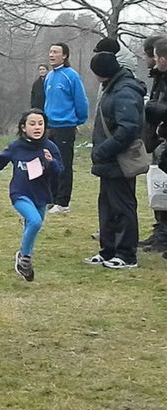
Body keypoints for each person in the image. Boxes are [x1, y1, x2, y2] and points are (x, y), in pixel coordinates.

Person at [0, 109, 63, 281]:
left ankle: (24, 262)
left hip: (41, 195)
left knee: (33, 226)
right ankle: (25, 258)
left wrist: (51, 162)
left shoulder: (50, 147)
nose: (37, 127)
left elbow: (59, 171)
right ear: (23, 127)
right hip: (20, 193)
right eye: (32, 124)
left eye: (40, 123)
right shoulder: (16, 147)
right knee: (34, 221)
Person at [84, 52, 146, 269]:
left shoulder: (124, 91)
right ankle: (108, 250)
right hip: (109, 162)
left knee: (123, 206)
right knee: (107, 207)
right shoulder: (114, 87)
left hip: (119, 160)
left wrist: (103, 151)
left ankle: (127, 255)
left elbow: (127, 129)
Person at [44, 43, 89, 214]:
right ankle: (52, 198)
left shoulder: (71, 76)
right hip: (50, 126)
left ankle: (63, 202)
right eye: (50, 51)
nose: (51, 55)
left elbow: (81, 101)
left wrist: (78, 120)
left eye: (55, 52)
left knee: (63, 164)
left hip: (66, 126)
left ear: (64, 56)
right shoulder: (49, 77)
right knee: (50, 163)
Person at [140, 37, 167, 254]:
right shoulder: (158, 77)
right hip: (158, 137)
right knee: (159, 188)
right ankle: (160, 231)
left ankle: (163, 236)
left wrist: (148, 108)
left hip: (162, 138)